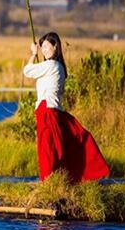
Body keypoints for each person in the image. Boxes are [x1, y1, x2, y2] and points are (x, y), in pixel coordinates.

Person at [22, 32, 110, 183]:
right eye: (41, 47)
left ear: (55, 47)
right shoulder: (59, 67)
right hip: (52, 111)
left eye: (46, 47)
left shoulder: (51, 65)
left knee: (47, 150)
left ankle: (49, 182)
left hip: (47, 111)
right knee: (53, 149)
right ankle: (57, 181)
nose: (43, 50)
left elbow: (28, 71)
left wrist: (33, 54)